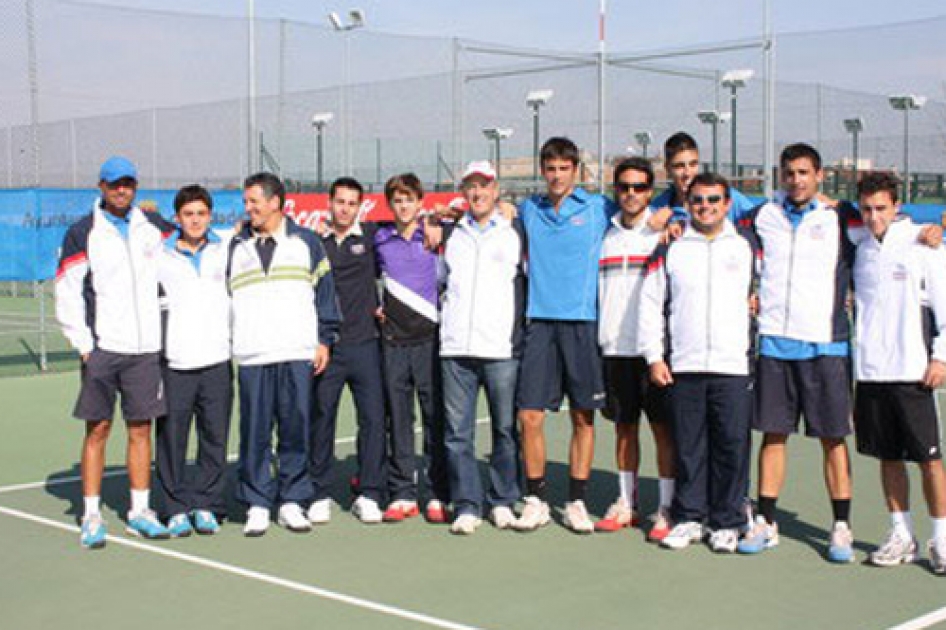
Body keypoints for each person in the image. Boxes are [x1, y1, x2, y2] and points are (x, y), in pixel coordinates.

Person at [737, 143, 858, 562]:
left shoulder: (841, 217)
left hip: (825, 345)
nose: (796, 180)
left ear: (819, 175)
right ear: (781, 176)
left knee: (832, 438)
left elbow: (888, 224)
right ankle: (766, 520)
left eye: (804, 172)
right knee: (773, 435)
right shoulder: (763, 216)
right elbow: (714, 220)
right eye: (789, 173)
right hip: (774, 343)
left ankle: (840, 526)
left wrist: (931, 231)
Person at [55, 156, 173, 548]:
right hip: (104, 350)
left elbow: (196, 240)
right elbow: (68, 291)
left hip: (145, 351)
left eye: (127, 183)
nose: (121, 189)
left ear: (135, 186)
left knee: (140, 430)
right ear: (101, 187)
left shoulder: (153, 228)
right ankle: (90, 515)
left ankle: (140, 512)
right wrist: (86, 346)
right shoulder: (82, 232)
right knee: (98, 429)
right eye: (113, 184)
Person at [639, 173, 759, 552]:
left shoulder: (745, 247)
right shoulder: (671, 248)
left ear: (727, 204)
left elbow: (768, 293)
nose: (705, 207)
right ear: (687, 204)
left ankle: (728, 520)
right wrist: (654, 356)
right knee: (688, 446)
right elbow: (649, 303)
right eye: (698, 201)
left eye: (713, 200)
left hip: (732, 365)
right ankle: (689, 517)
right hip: (686, 365)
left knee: (731, 445)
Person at [229, 172, 341, 536]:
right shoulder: (234, 246)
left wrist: (324, 339)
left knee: (295, 429)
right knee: (255, 433)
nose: (248, 208)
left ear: (275, 202)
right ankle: (258, 502)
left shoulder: (307, 242)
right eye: (246, 202)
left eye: (253, 201)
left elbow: (325, 294)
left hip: (296, 351)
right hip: (253, 353)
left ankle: (292, 499)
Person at [514, 137, 614, 534]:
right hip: (539, 324)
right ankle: (536, 498)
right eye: (550, 169)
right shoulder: (528, 210)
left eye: (563, 169)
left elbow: (643, 211)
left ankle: (576, 501)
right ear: (543, 171)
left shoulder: (597, 208)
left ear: (576, 171)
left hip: (582, 324)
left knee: (582, 417)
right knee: (530, 416)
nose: (556, 176)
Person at [851, 172, 946, 573]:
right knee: (888, 458)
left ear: (896, 205)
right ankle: (900, 534)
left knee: (929, 460)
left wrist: (940, 358)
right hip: (872, 373)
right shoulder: (859, 247)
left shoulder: (923, 246)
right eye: (867, 209)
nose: (874, 217)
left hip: (914, 373)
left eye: (881, 209)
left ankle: (941, 539)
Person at [440, 161, 525, 535]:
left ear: (496, 190)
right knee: (457, 434)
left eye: (484, 186)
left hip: (500, 349)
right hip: (456, 348)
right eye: (470, 186)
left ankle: (503, 500)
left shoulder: (514, 232)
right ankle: (467, 504)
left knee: (505, 431)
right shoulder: (449, 234)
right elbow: (440, 281)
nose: (477, 193)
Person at [595, 157, 675, 541]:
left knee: (663, 431)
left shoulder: (664, 234)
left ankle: (666, 507)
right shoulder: (605, 236)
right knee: (624, 430)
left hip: (653, 353)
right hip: (614, 350)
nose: (631, 194)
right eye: (624, 187)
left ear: (650, 191)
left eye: (639, 188)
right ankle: (626, 502)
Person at [308, 176, 387, 525]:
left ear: (360, 207)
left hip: (367, 345)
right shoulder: (313, 243)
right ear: (330, 202)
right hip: (328, 348)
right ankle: (318, 492)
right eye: (340, 202)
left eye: (352, 203)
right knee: (321, 418)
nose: (345, 208)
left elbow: (413, 225)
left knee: (372, 419)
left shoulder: (371, 238)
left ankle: (369, 492)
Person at [155, 185, 233, 537]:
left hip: (217, 360)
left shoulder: (227, 248)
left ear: (210, 216)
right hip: (176, 363)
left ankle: (206, 504)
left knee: (214, 437)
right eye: (189, 214)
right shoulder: (158, 255)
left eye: (202, 213)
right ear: (177, 218)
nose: (196, 220)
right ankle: (175, 507)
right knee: (172, 439)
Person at [375, 173, 450, 523]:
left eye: (409, 199)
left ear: (420, 202)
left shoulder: (436, 236)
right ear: (390, 205)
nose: (403, 206)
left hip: (430, 340)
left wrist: (437, 222)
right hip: (392, 342)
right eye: (397, 200)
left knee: (434, 417)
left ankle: (437, 492)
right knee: (399, 418)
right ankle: (403, 491)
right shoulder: (379, 238)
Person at [651, 132, 757, 223]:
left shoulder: (726, 197)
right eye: (679, 166)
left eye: (693, 164)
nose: (687, 173)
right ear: (667, 169)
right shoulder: (657, 209)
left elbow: (761, 220)